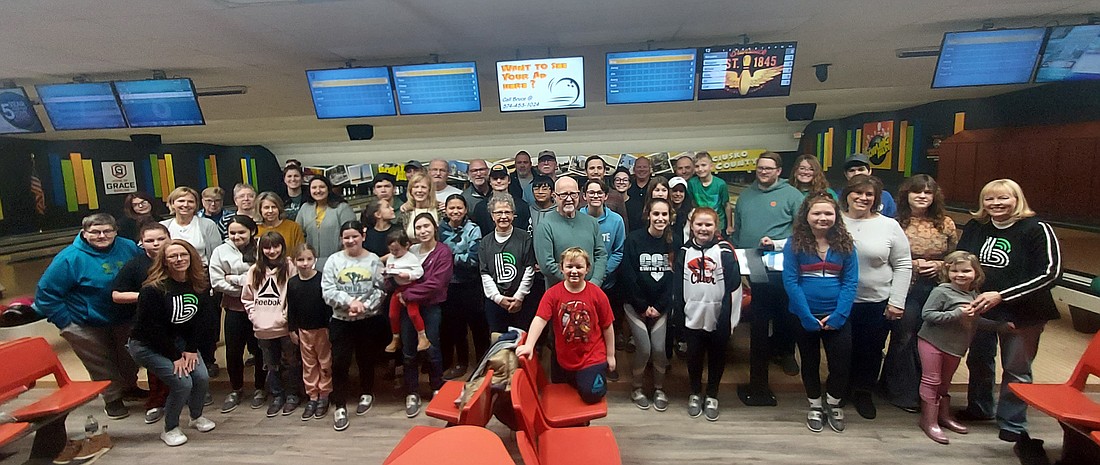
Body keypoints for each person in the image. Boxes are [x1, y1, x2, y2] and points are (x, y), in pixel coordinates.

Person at [956, 179, 1061, 443]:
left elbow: (1051, 273)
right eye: (989, 199)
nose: (996, 204)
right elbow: (960, 262)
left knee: (1017, 369)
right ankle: (979, 409)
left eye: (1003, 198)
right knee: (979, 361)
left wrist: (1002, 296)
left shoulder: (1037, 229)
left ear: (1017, 199)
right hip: (982, 307)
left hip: (1024, 313)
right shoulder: (975, 227)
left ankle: (1012, 422)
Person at [36, 213, 143, 420]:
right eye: (95, 232)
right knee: (101, 363)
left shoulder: (128, 247)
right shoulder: (69, 258)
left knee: (130, 357)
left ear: (115, 231)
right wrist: (65, 322)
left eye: (107, 231)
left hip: (125, 317)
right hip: (84, 322)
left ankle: (129, 387)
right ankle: (112, 399)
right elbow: (46, 293)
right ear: (85, 233)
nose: (102, 236)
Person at [731, 152, 804, 406]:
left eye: (768, 168)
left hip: (782, 261)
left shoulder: (793, 195)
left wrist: (779, 245)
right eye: (760, 168)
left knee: (786, 310)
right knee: (759, 315)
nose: (763, 171)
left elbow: (802, 231)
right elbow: (739, 229)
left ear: (779, 171)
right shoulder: (746, 195)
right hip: (751, 259)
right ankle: (760, 365)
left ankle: (785, 352)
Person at [879, 174, 957, 413]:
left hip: (935, 288)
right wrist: (911, 265)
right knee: (904, 336)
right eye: (917, 192)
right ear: (907, 195)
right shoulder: (894, 221)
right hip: (904, 286)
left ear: (934, 197)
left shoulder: (946, 223)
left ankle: (927, 391)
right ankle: (901, 392)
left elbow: (954, 258)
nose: (922, 196)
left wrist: (940, 266)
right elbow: (883, 256)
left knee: (929, 339)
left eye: (927, 193)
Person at [127, 239, 216, 446]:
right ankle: (170, 428)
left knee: (201, 377)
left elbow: (201, 321)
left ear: (191, 257)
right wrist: (175, 356)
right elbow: (151, 329)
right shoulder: (153, 289)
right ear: (164, 262)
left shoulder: (199, 284)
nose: (179, 259)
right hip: (147, 344)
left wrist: (191, 350)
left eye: (183, 255)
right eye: (172, 256)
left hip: (179, 341)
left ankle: (196, 417)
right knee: (182, 382)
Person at [782, 193, 858, 434]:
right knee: (810, 362)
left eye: (828, 213)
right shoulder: (794, 243)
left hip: (837, 315)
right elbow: (791, 281)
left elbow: (851, 282)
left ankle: (834, 403)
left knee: (840, 364)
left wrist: (839, 315)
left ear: (836, 216)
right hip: (804, 315)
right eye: (817, 213)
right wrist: (805, 315)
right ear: (806, 215)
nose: (822, 218)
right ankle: (815, 404)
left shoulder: (846, 244)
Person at [840, 174, 912, 420]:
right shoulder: (834, 221)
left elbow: (903, 263)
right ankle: (840, 388)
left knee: (870, 349)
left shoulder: (889, 225)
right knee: (842, 348)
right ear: (847, 195)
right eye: (857, 193)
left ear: (876, 199)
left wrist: (897, 301)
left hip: (876, 300)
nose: (863, 198)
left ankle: (863, 392)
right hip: (839, 300)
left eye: (869, 194)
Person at [515, 247, 615, 404]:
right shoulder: (552, 294)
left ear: (587, 269)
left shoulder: (597, 294)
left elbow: (607, 326)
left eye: (579, 267)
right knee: (563, 397)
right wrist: (529, 345)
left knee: (591, 394)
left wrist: (611, 355)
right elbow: (540, 319)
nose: (574, 271)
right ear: (561, 268)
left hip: (592, 356)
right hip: (563, 358)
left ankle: (595, 378)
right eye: (569, 266)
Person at [917, 251, 997, 444]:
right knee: (932, 380)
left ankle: (943, 416)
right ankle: (928, 421)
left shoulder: (975, 295)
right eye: (955, 270)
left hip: (956, 346)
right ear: (948, 272)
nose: (960, 275)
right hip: (932, 341)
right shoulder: (941, 291)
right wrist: (956, 314)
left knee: (944, 382)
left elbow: (977, 320)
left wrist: (1002, 327)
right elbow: (928, 315)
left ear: (976, 273)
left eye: (966, 271)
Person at [673, 207, 743, 421]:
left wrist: (731, 320)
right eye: (699, 224)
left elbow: (735, 288)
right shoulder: (684, 252)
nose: (703, 229)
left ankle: (712, 394)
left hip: (718, 317)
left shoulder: (724, 251)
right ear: (691, 226)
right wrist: (679, 318)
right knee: (693, 357)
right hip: (692, 315)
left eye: (708, 225)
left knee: (717, 357)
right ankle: (695, 392)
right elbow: (678, 288)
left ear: (716, 226)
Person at [322, 221, 388, 431]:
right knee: (340, 362)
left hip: (367, 320)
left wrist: (364, 307)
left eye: (355, 236)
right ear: (341, 239)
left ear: (363, 236)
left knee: (366, 359)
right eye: (346, 237)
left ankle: (367, 392)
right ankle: (340, 404)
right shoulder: (333, 261)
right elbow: (328, 290)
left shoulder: (374, 260)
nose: (351, 241)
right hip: (341, 321)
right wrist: (349, 303)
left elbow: (381, 289)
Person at [111, 222, 172, 424]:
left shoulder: (179, 258)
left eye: (160, 239)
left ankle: (181, 395)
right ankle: (156, 403)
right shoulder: (134, 265)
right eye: (150, 240)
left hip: (179, 321)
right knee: (156, 366)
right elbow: (117, 295)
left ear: (169, 238)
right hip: (150, 324)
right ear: (141, 243)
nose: (156, 244)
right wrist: (146, 296)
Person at [208, 215, 267, 414]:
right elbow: (217, 282)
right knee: (233, 351)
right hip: (233, 308)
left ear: (252, 231)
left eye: (241, 232)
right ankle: (236, 389)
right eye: (232, 232)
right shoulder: (220, 251)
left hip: (261, 308)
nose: (236, 236)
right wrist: (247, 286)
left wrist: (234, 279)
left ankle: (261, 388)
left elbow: (266, 277)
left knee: (259, 350)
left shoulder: (263, 247)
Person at [242, 231, 304, 417]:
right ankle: (277, 395)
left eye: (276, 246)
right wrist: (255, 317)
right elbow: (247, 298)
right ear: (261, 249)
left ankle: (293, 395)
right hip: (263, 328)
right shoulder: (254, 270)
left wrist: (286, 318)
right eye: (267, 247)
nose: (272, 251)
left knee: (291, 362)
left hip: (284, 326)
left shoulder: (290, 266)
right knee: (271, 364)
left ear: (282, 247)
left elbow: (294, 295)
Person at [621, 198, 675, 412]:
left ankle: (659, 389)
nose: (660, 218)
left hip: (660, 306)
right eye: (656, 214)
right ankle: (637, 388)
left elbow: (673, 278)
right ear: (648, 215)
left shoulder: (673, 242)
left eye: (664, 214)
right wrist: (643, 306)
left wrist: (659, 307)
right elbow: (628, 275)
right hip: (635, 305)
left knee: (660, 349)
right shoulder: (634, 239)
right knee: (644, 348)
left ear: (670, 217)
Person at [399, 213, 454, 418]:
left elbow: (437, 284)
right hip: (407, 308)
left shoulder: (443, 252)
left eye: (426, 226)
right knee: (408, 350)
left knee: (432, 347)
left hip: (430, 307)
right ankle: (412, 392)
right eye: (419, 227)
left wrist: (407, 293)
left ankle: (437, 386)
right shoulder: (410, 250)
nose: (423, 231)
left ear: (434, 227)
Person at [579, 178, 627, 377]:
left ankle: (609, 363)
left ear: (606, 196)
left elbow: (618, 251)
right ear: (584, 196)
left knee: (607, 325)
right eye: (591, 193)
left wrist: (601, 273)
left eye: (599, 193)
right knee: (584, 326)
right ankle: (586, 364)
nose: (595, 196)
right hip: (582, 284)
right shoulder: (577, 217)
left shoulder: (616, 221)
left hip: (608, 283)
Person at [439, 194, 488, 380]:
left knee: (478, 327)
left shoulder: (473, 229)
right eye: (451, 208)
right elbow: (436, 256)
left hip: (471, 284)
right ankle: (461, 363)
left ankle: (483, 362)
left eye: (459, 207)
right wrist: (454, 258)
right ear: (446, 210)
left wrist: (449, 258)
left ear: (466, 209)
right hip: (449, 286)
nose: (455, 211)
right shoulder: (440, 230)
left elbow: (474, 259)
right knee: (456, 327)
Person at [286, 243, 334, 421]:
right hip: (303, 330)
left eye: (308, 259)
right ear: (294, 261)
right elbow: (291, 308)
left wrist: (330, 328)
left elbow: (328, 307)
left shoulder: (322, 279)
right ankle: (312, 395)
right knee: (309, 364)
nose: (305, 263)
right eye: (300, 259)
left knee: (325, 362)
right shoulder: (293, 283)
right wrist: (292, 329)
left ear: (315, 260)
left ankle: (325, 394)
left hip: (322, 329)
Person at [534, 177, 609, 288]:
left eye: (573, 194)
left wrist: (595, 282)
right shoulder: (544, 226)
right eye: (564, 195)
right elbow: (546, 265)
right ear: (555, 196)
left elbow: (601, 255)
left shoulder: (592, 222)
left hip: (591, 291)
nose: (569, 199)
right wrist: (577, 282)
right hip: (559, 294)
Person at [479, 194, 537, 333]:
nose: (503, 216)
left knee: (520, 343)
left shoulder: (525, 238)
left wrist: (519, 297)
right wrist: (498, 298)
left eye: (507, 212)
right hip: (495, 302)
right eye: (499, 212)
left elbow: (529, 269)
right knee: (498, 345)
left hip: (521, 301)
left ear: (513, 214)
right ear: (492, 216)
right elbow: (485, 273)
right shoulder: (485, 242)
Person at [296, 175, 356, 270]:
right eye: (314, 188)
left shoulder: (342, 208)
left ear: (329, 189)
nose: (318, 190)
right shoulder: (305, 208)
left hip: (337, 261)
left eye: (322, 187)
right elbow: (298, 233)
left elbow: (352, 233)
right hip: (309, 263)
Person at [382, 230, 427, 353]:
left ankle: (422, 336)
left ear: (406, 245)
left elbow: (419, 272)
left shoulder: (411, 257)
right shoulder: (391, 257)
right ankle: (395, 337)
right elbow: (389, 268)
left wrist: (408, 275)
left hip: (411, 287)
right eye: (391, 250)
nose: (394, 253)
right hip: (397, 288)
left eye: (397, 250)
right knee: (392, 314)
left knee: (413, 313)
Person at [161, 187, 222, 264]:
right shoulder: (163, 226)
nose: (186, 205)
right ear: (172, 204)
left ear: (196, 205)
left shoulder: (208, 225)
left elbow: (217, 254)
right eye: (181, 201)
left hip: (202, 272)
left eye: (190, 201)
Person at [471, 163, 530, 236]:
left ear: (509, 180)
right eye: (495, 179)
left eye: (502, 178)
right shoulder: (480, 208)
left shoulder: (522, 206)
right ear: (490, 182)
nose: (499, 181)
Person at [687, 152, 733, 236]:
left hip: (718, 224)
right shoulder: (692, 183)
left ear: (711, 166)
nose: (700, 169)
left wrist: (729, 226)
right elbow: (692, 202)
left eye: (704, 165)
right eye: (697, 166)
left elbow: (726, 205)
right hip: (700, 222)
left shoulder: (720, 184)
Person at [844, 153, 897, 217]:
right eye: (852, 170)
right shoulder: (838, 196)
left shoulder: (885, 196)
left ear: (869, 171)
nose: (857, 173)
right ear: (846, 175)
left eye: (861, 169)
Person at [399, 173, 441, 241]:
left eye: (423, 187)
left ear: (429, 190)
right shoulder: (405, 211)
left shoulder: (439, 209)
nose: (419, 190)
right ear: (410, 190)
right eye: (416, 187)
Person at [625, 156, 653, 231]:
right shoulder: (628, 186)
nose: (642, 169)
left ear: (650, 169)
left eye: (645, 167)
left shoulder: (654, 186)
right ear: (634, 169)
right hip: (630, 227)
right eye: (639, 167)